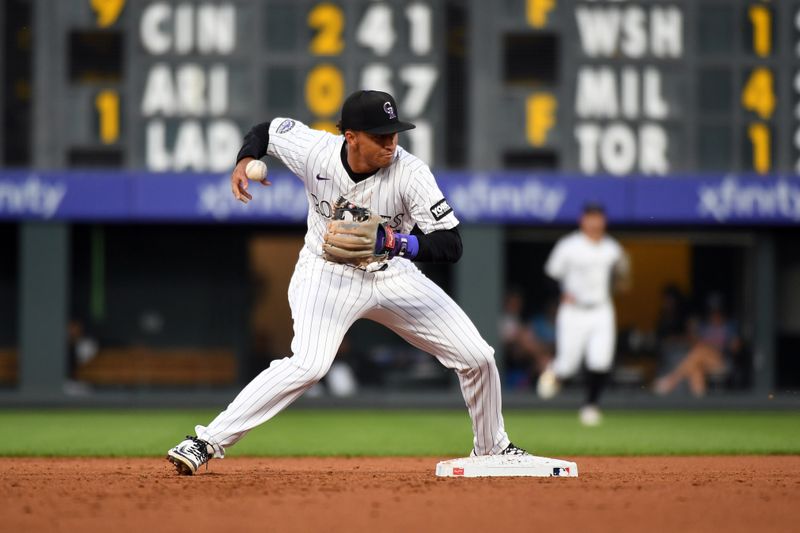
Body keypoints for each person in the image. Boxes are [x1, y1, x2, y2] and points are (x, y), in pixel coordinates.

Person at [166, 90, 528, 474]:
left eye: (395, 133)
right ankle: (205, 441)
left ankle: (492, 449)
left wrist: (394, 241)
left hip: (392, 273)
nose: (391, 142)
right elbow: (266, 131)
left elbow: (451, 243)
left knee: (478, 358)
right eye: (380, 135)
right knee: (309, 365)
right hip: (327, 272)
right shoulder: (316, 151)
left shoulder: (411, 172)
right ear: (351, 136)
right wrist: (244, 159)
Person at [536, 203, 630, 426]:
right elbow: (550, 275)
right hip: (573, 311)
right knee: (568, 365)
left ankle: (590, 406)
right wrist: (561, 293)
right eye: (590, 217)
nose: (594, 222)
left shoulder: (612, 248)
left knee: (601, 360)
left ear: (604, 221)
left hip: (601, 308)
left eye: (598, 217)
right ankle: (554, 371)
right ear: (582, 220)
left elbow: (622, 280)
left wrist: (621, 279)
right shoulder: (569, 245)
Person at [653, 293, 741, 397]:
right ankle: (701, 406)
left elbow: (736, 348)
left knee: (700, 351)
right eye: (712, 311)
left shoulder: (730, 326)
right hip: (703, 361)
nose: (715, 314)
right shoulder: (705, 327)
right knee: (696, 370)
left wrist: (719, 346)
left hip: (722, 362)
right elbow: (694, 343)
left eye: (718, 311)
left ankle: (671, 380)